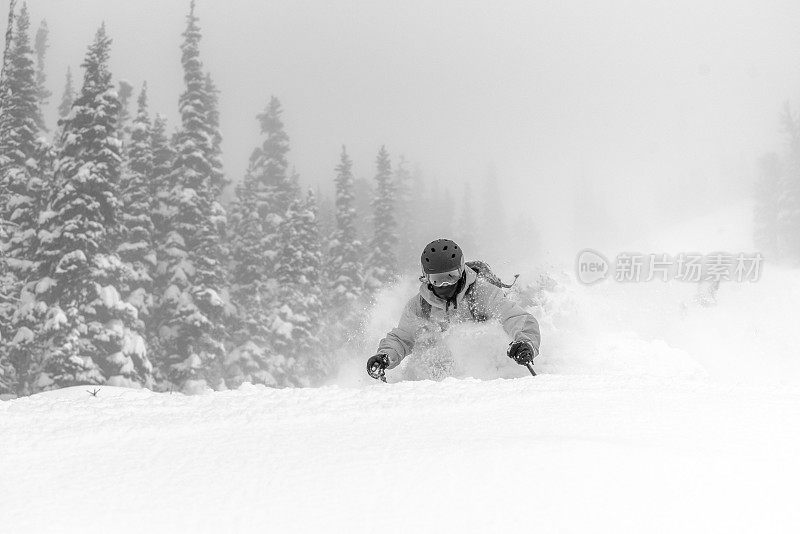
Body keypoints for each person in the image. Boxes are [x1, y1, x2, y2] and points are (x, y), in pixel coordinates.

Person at [367, 238, 541, 381]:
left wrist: (525, 343)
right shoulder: (420, 305)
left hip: (489, 375)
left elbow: (515, 318)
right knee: (429, 349)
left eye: (451, 276)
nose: (444, 284)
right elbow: (402, 338)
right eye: (437, 279)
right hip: (445, 382)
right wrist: (385, 356)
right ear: (426, 278)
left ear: (461, 270)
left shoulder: (481, 293)